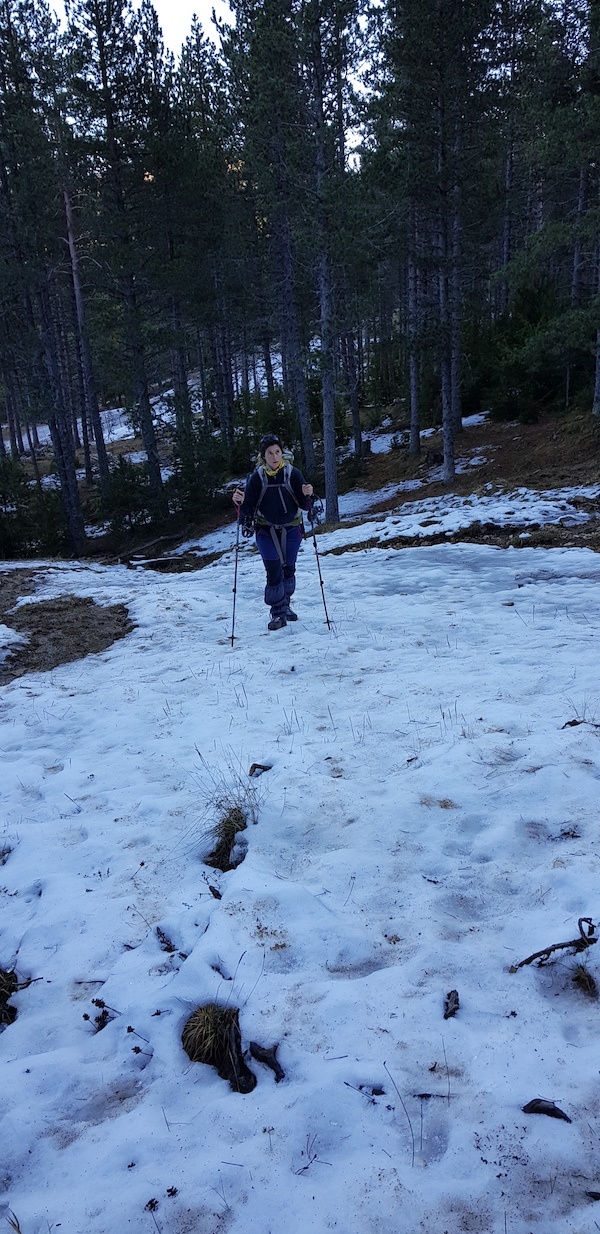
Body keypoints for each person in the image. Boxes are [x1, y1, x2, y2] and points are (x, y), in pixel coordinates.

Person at [232, 434, 313, 630]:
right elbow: (248, 506)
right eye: (270, 453)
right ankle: (277, 612)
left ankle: (285, 605)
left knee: (289, 568)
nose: (275, 456)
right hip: (265, 530)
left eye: (277, 452)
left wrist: (308, 494)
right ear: (263, 456)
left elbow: (304, 505)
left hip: (292, 529)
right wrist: (239, 504)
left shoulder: (293, 474)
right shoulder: (256, 478)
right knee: (273, 569)